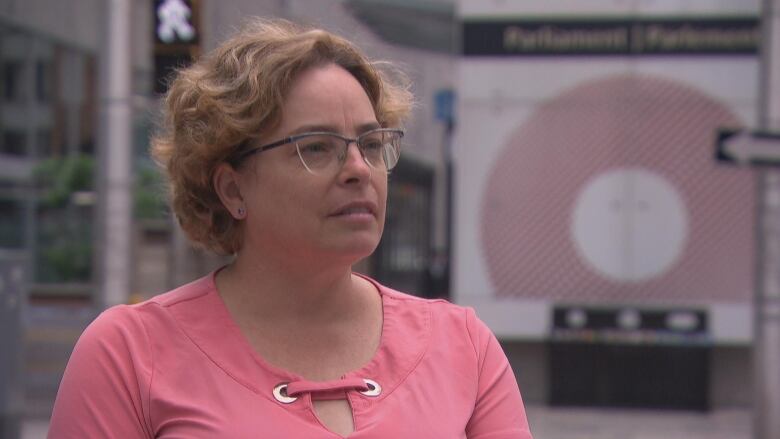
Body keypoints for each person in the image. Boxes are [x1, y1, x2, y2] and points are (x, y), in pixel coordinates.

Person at [48, 18, 533, 438]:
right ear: (233, 189)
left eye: (370, 143)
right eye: (317, 147)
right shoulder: (129, 354)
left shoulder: (463, 346)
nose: (358, 169)